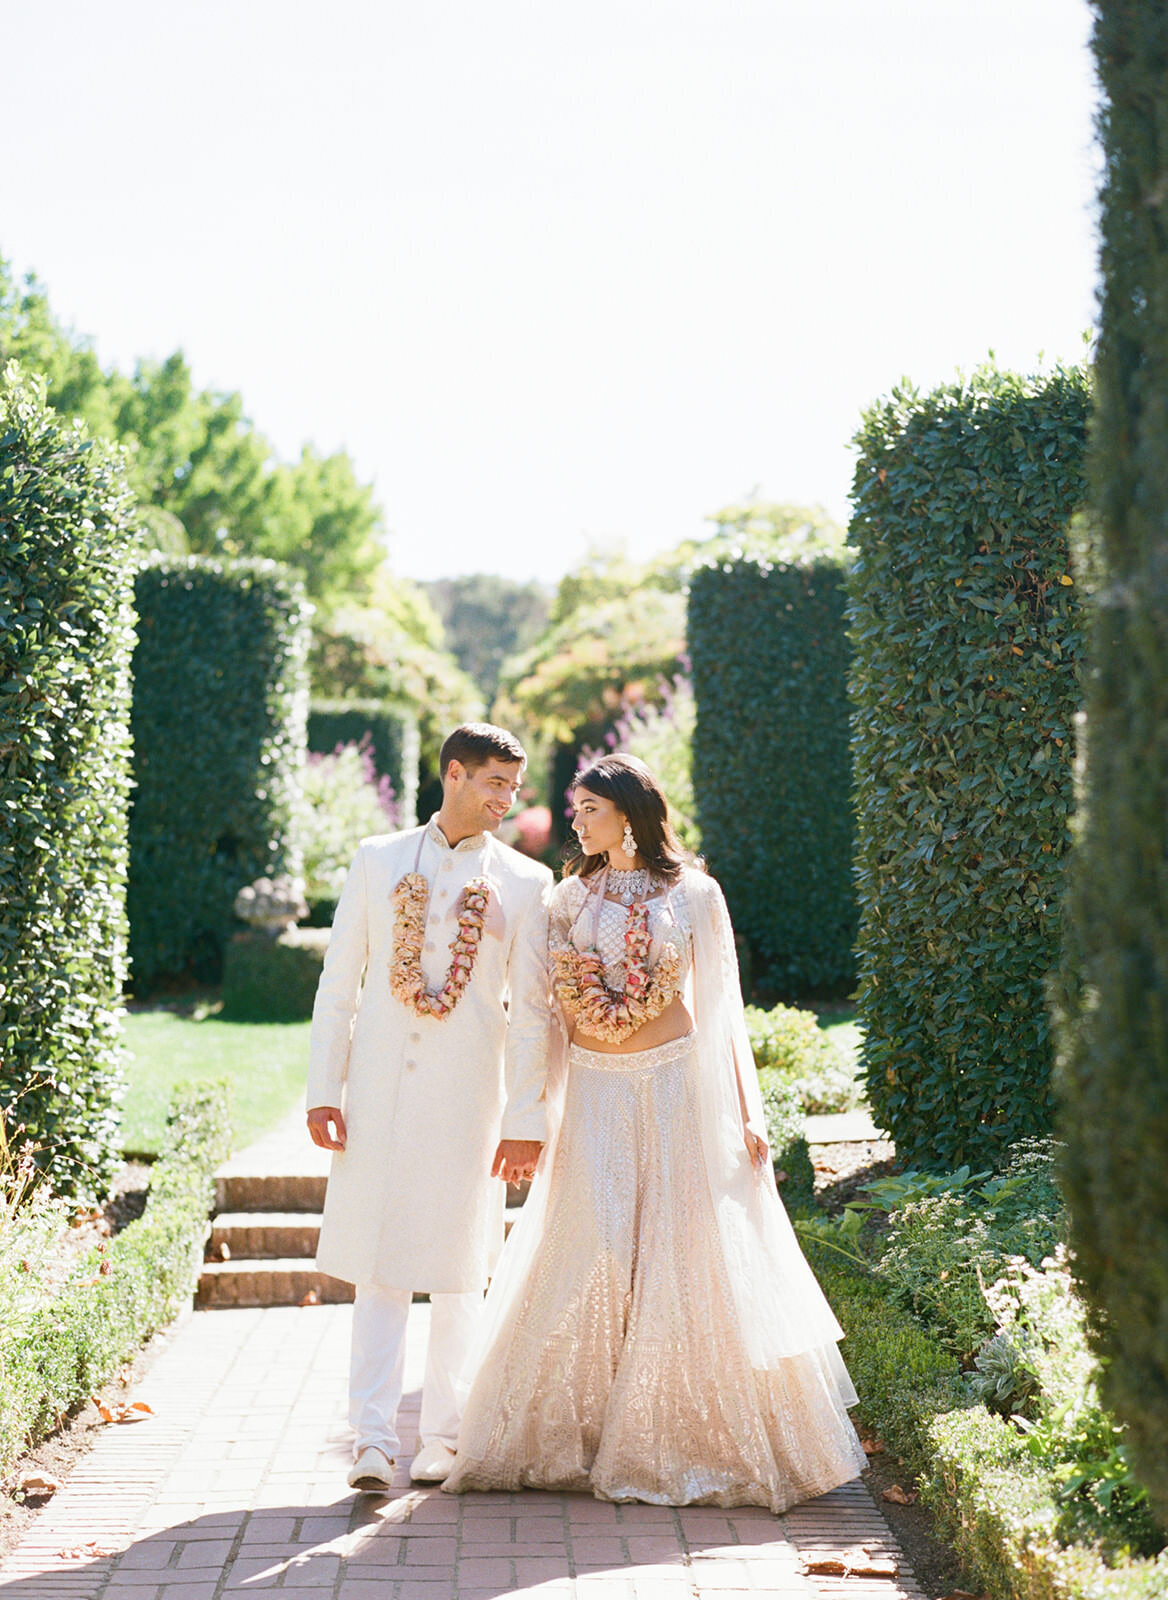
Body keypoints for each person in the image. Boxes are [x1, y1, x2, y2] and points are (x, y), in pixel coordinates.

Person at [443, 752, 867, 1510]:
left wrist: (747, 1112)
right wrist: (533, 1115)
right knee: (593, 1247)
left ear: (631, 814)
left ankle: (682, 1439)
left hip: (675, 1088)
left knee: (680, 1251)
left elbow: (725, 1009)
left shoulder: (695, 895)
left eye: (590, 810)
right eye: (576, 810)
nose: (577, 821)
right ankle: (568, 1431)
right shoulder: (567, 902)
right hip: (597, 1097)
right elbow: (540, 1014)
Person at [305, 723, 552, 1492]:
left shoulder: (525, 882)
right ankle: (371, 1441)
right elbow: (339, 984)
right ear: (453, 773)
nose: (507, 801)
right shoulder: (378, 860)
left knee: (458, 1270)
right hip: (378, 1092)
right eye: (494, 784)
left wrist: (525, 1120)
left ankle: (444, 1436)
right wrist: (324, 1091)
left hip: (469, 1101)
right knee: (378, 1267)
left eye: (514, 788)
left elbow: (535, 1014)